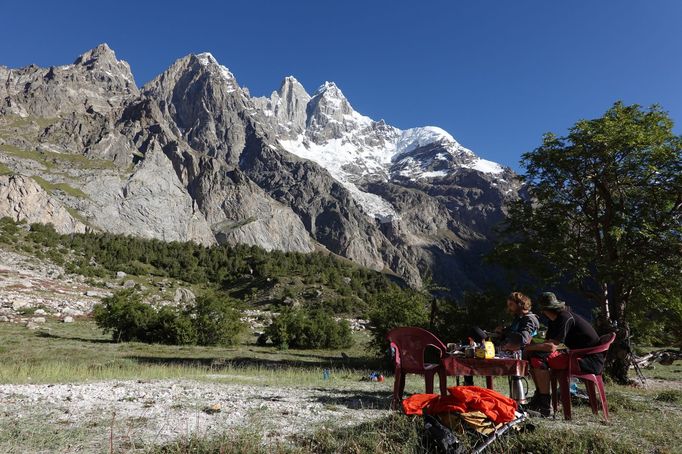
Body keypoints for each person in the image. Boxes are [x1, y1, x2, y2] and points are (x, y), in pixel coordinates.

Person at [524, 292, 605, 417]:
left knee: (537, 358)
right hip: (579, 356)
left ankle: (545, 405)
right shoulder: (555, 319)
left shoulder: (564, 318)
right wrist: (533, 345)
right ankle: (540, 397)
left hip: (588, 360)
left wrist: (527, 346)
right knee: (533, 355)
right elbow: (548, 343)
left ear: (543, 310)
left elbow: (551, 347)